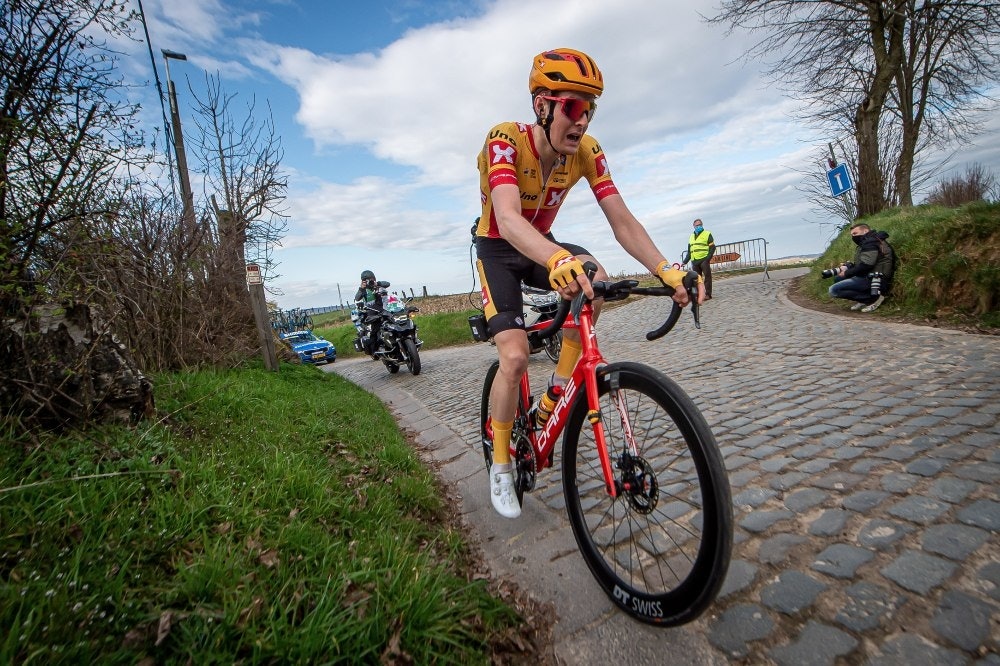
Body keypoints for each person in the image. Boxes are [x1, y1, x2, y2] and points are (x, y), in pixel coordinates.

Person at [474, 47, 703, 519]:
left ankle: (557, 391)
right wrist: (557, 257)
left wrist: (665, 268)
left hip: (542, 241)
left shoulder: (587, 151)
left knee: (593, 280)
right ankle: (499, 461)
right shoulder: (504, 140)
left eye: (590, 108)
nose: (582, 121)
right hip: (500, 244)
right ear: (543, 106)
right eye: (573, 107)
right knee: (514, 355)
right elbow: (510, 219)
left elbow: (621, 220)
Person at [828, 223, 896, 313]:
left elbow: (867, 265)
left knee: (833, 290)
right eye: (852, 235)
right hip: (868, 275)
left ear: (865, 231)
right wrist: (848, 267)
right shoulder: (867, 242)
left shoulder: (871, 243)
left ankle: (873, 298)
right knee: (838, 278)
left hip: (876, 278)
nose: (853, 237)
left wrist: (847, 273)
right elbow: (863, 263)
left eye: (855, 233)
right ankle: (863, 299)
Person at [354, 270, 384, 354]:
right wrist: (361, 288)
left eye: (371, 279)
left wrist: (377, 284)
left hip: (382, 309)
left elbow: (387, 283)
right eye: (367, 280)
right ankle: (375, 349)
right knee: (375, 329)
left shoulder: (378, 286)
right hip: (371, 312)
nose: (370, 281)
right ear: (363, 281)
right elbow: (357, 298)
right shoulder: (363, 290)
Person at [687, 219, 715, 299]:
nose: (698, 226)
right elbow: (689, 251)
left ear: (702, 225)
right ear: (694, 226)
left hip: (704, 259)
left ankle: (708, 294)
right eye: (697, 225)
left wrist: (708, 258)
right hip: (695, 260)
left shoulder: (707, 234)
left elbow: (712, 248)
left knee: (707, 276)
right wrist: (685, 261)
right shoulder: (691, 236)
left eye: (700, 225)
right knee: (697, 279)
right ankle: (699, 294)